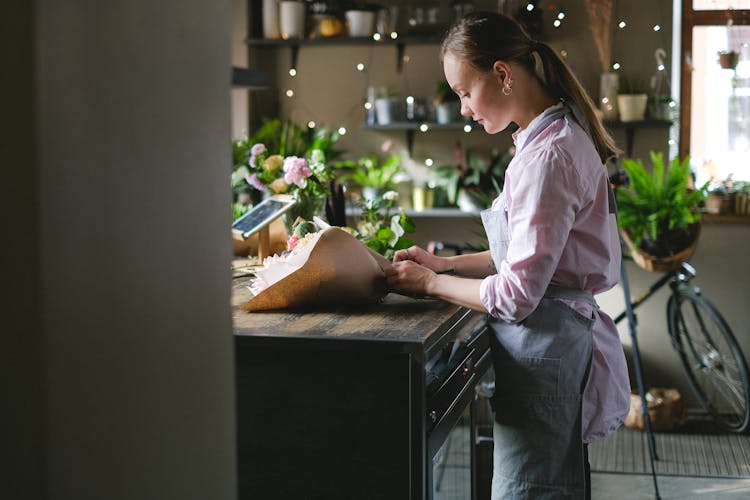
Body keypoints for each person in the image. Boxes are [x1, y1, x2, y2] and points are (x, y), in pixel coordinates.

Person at [385, 11, 631, 500]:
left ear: (502, 73)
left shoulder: (548, 157)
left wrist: (430, 285)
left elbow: (518, 293)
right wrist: (443, 266)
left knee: (530, 490)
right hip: (551, 344)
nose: (463, 109)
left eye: (463, 91)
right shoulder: (547, 139)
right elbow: (524, 260)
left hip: (548, 347)